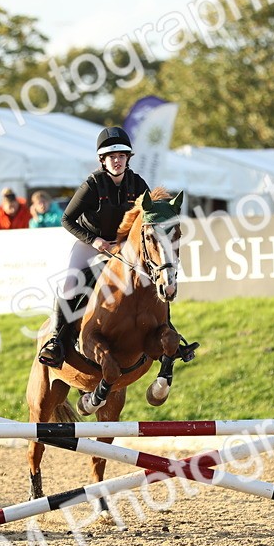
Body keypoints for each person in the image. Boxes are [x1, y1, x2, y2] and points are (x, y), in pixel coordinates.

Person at [38, 126, 197, 368]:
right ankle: (56, 341)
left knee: (154, 279)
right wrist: (95, 240)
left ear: (127, 159)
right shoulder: (92, 185)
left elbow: (151, 217)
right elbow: (66, 219)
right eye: (111, 156)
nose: (117, 161)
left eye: (121, 156)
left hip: (124, 247)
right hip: (91, 243)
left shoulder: (137, 183)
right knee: (69, 284)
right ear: (102, 160)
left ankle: (170, 332)